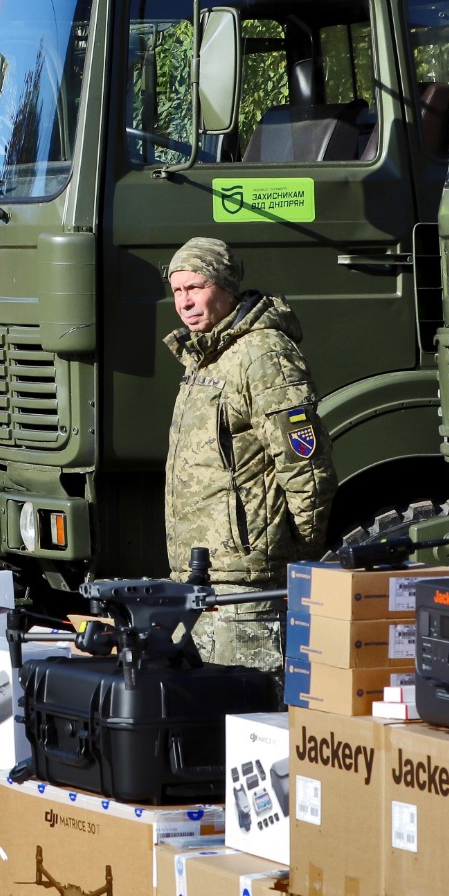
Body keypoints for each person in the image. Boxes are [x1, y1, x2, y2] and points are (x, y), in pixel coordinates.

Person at [164, 236, 337, 671]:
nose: (185, 302)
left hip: (247, 586)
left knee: (252, 717)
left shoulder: (263, 354)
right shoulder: (203, 357)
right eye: (177, 291)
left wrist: (293, 550)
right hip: (202, 578)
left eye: (196, 287)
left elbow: (306, 466)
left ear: (226, 288)